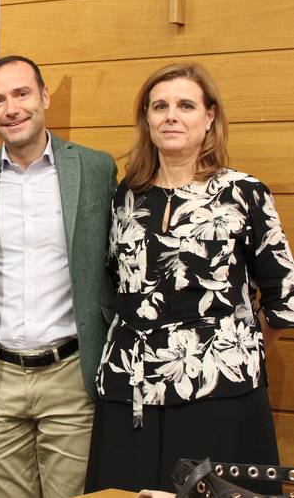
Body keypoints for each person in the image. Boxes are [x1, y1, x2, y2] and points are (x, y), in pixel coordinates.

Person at [84, 63, 294, 495]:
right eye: (159, 106)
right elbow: (113, 284)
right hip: (130, 391)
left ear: (209, 116)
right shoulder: (126, 195)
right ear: (147, 118)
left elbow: (283, 297)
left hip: (220, 391)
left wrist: (234, 347)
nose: (171, 116)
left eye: (185, 105)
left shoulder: (244, 193)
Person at [0, 55, 117, 498]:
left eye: (21, 93)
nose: (11, 108)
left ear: (43, 96)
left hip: (71, 373)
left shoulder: (96, 169)